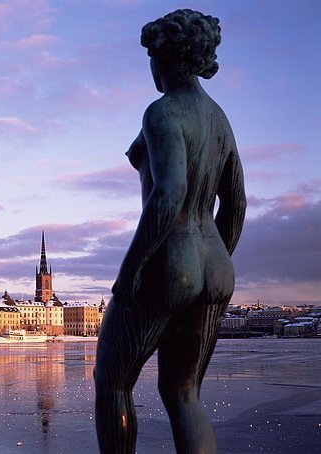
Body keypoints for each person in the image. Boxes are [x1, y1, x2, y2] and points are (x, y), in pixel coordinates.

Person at [94, 9, 246, 453]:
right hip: (215, 266)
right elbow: (235, 205)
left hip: (169, 259)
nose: (151, 68)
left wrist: (131, 271)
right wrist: (215, 258)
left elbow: (169, 194)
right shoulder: (219, 120)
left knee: (113, 384)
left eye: (152, 57)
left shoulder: (162, 113)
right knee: (184, 395)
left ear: (168, 58)